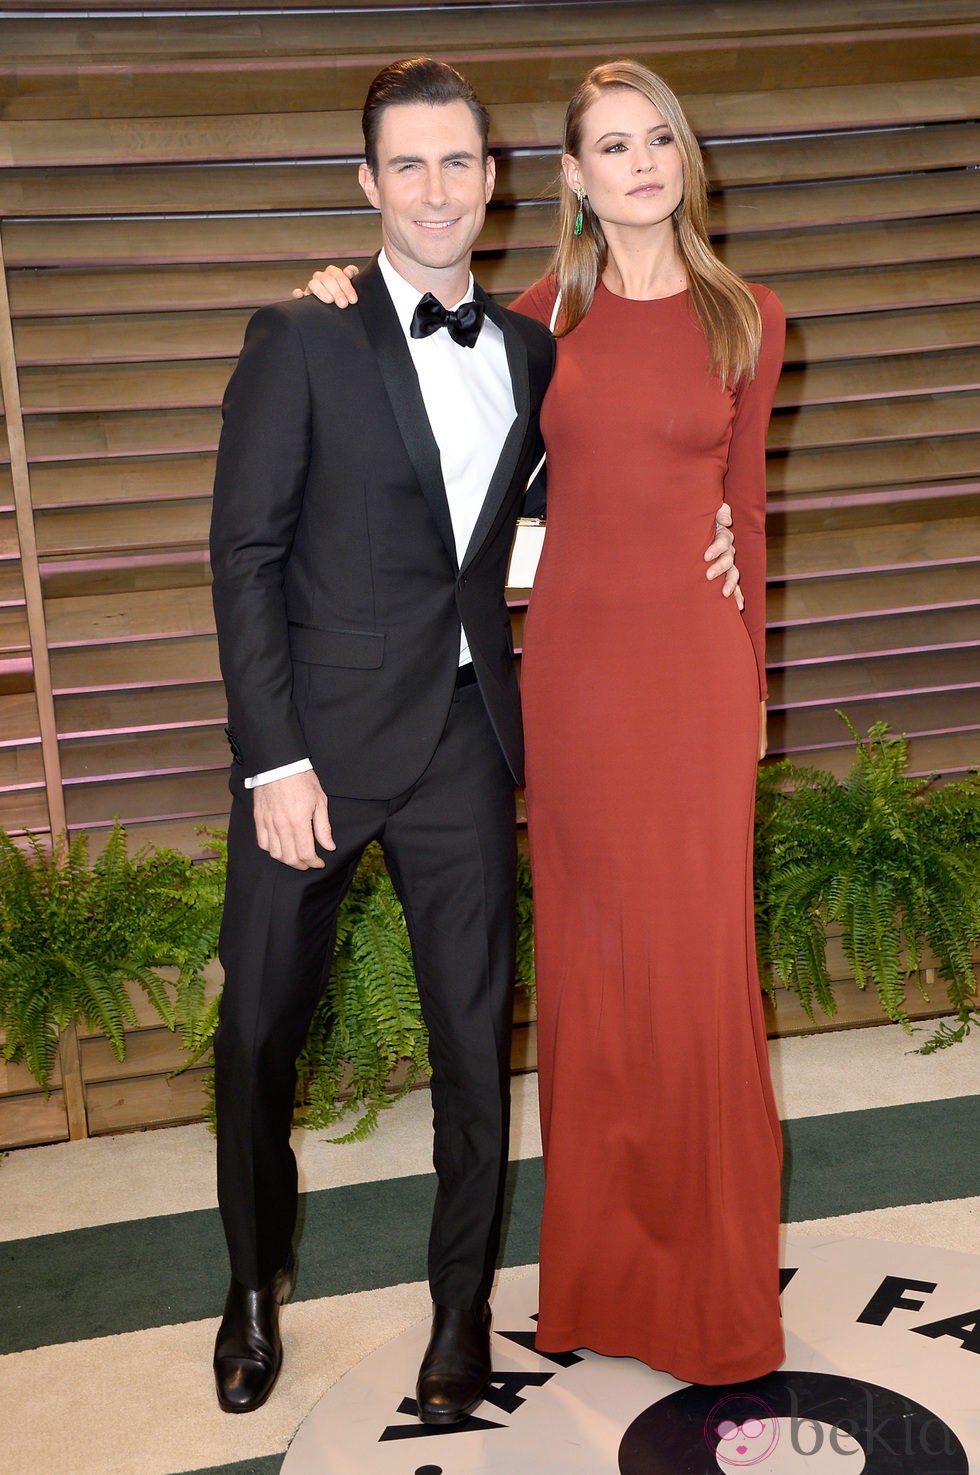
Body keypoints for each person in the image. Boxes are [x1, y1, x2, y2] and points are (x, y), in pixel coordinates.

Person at [212, 54, 741, 1423]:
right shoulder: (304, 333)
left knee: (470, 1048)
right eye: (411, 166)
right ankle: (251, 1285)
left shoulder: (529, 347)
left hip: (465, 740)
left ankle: (462, 1317)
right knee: (260, 1036)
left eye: (461, 162)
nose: (438, 189)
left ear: (494, 181)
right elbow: (245, 553)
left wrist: (717, 543)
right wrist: (272, 762)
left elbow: (597, 492)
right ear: (369, 186)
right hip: (312, 757)